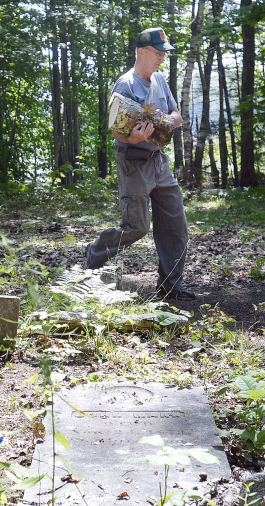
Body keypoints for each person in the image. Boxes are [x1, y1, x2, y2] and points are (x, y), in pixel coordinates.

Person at [84, 27, 195, 301]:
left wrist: (167, 121)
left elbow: (176, 114)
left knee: (175, 224)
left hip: (160, 162)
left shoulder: (159, 79)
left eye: (164, 54)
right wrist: (134, 137)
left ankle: (171, 286)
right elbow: (118, 132)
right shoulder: (126, 85)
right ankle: (93, 255)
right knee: (136, 227)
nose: (162, 59)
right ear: (141, 52)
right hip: (133, 162)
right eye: (157, 53)